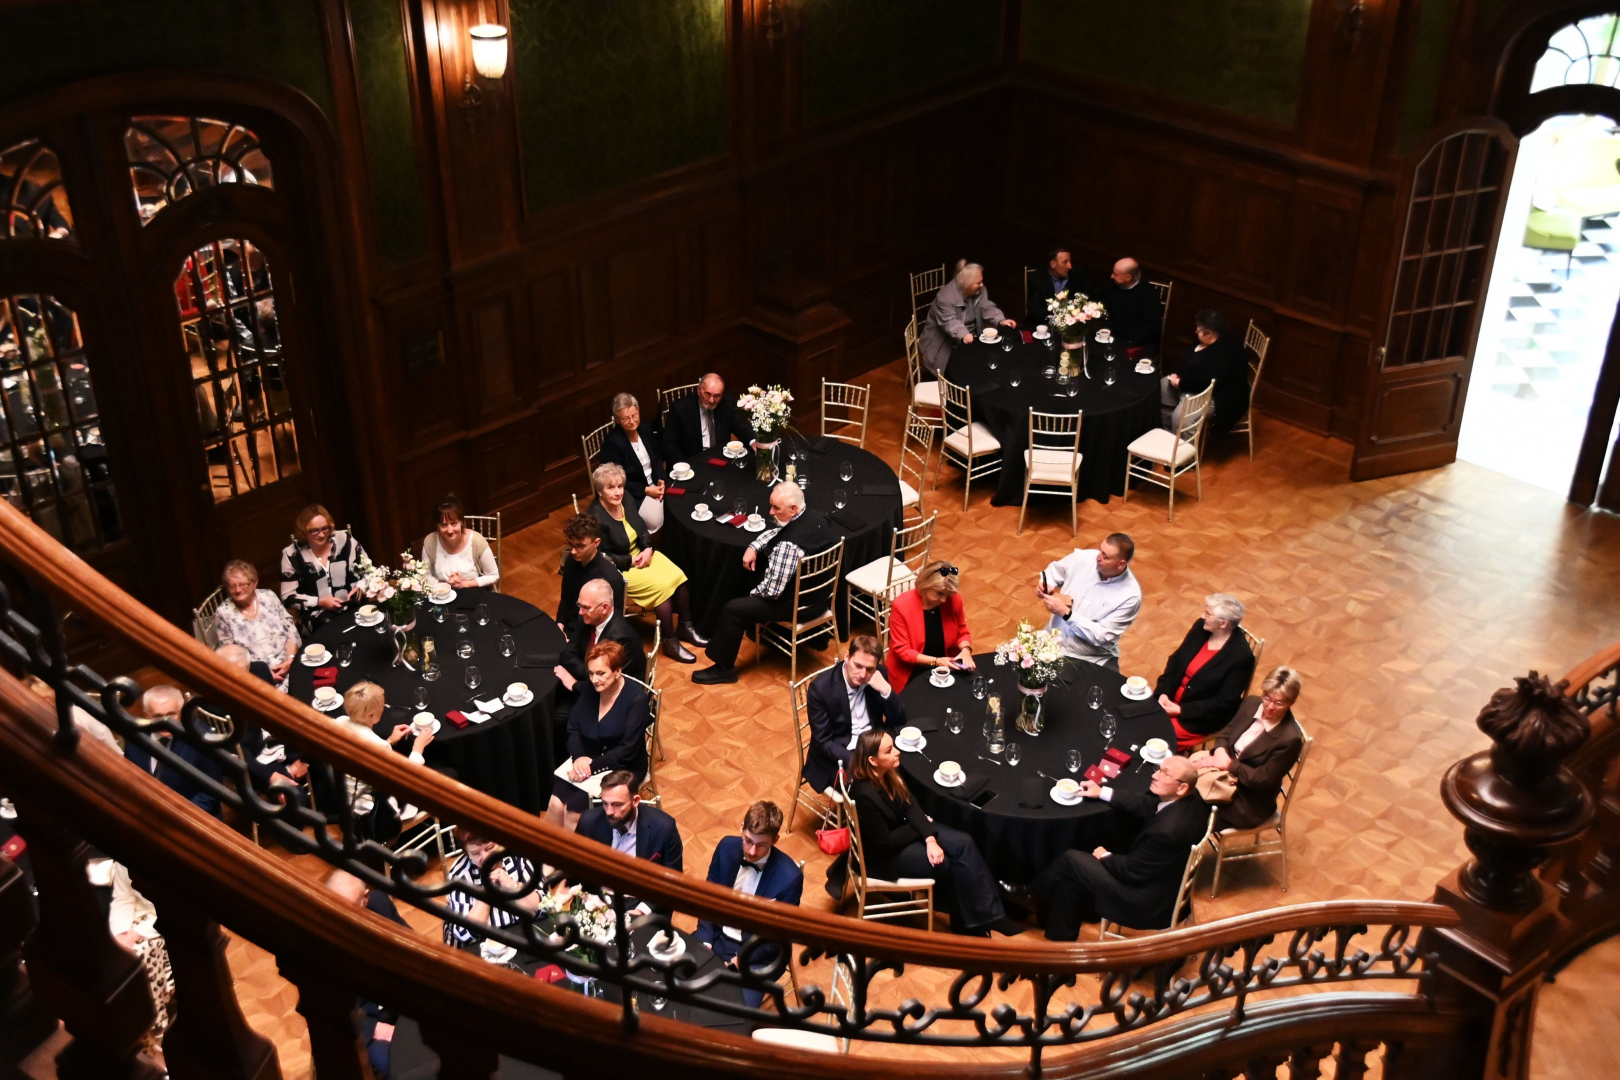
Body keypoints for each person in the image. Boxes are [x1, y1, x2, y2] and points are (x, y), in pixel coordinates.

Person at [848, 730, 1016, 935]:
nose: (897, 752)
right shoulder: (864, 794)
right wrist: (919, 828)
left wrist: (929, 838)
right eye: (889, 750)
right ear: (873, 760)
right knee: (948, 864)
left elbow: (910, 804)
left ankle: (994, 916)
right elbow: (886, 843)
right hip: (886, 858)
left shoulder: (888, 772)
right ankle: (969, 926)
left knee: (964, 842)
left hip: (903, 833)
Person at [1024, 756, 1208, 940]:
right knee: (1072, 878)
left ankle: (1030, 894)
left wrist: (1104, 855)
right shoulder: (1193, 798)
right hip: (1164, 881)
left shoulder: (1166, 832)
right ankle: (1059, 939)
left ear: (1182, 787)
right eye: (1158, 769)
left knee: (1070, 860)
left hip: (1144, 901)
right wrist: (1101, 792)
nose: (1155, 776)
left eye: (1165, 774)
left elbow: (1131, 871)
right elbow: (1148, 805)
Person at [693, 482, 833, 685]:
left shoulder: (789, 546)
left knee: (733, 609)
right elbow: (778, 532)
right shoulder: (817, 518)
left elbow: (772, 591)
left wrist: (751, 595)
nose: (771, 512)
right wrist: (754, 546)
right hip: (820, 598)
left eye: (776, 508)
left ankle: (724, 669)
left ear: (793, 509)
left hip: (798, 607)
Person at [589, 463, 703, 663]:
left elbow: (641, 527)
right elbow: (602, 555)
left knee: (679, 576)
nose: (618, 492)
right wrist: (631, 560)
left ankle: (685, 627)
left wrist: (648, 549)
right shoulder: (595, 516)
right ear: (600, 491)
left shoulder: (626, 499)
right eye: (611, 487)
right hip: (621, 567)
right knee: (661, 588)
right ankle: (670, 641)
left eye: (620, 486)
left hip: (642, 553)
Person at [694, 800, 804, 1007]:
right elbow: (707, 898)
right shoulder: (726, 848)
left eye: (761, 845)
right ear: (741, 828)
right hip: (717, 936)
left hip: (757, 955)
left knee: (735, 1012)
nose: (752, 851)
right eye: (748, 841)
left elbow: (777, 937)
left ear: (775, 840)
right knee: (677, 985)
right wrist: (705, 941)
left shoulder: (790, 877)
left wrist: (739, 961)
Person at [546, 641, 652, 830]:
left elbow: (627, 750)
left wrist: (590, 767)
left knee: (574, 813)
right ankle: (547, 848)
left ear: (618, 671)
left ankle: (574, 849)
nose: (594, 679)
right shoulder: (591, 688)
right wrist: (579, 757)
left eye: (601, 673)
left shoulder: (636, 700)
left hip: (624, 766)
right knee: (555, 803)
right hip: (587, 758)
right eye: (591, 673)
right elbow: (573, 726)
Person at [1191, 667, 1305, 831]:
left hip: (1247, 799)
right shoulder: (1251, 703)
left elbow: (1261, 779)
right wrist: (1220, 752)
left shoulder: (1290, 739)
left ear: (1291, 702)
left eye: (1279, 703)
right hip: (1222, 771)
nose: (1270, 706)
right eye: (1267, 698)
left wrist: (1228, 765)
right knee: (1179, 786)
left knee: (1191, 814)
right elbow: (1227, 733)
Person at [326, 869, 411, 1078]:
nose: (341, 917)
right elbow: (332, 1009)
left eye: (349, 908)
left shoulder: (380, 904)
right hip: (366, 1020)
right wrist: (375, 1029)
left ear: (365, 899)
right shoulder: (320, 943)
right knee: (402, 1064)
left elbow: (412, 947)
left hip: (402, 999)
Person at [211, 644, 313, 807]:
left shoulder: (260, 670)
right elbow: (237, 751)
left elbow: (277, 713)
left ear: (248, 667)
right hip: (257, 759)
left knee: (325, 762)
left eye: (241, 672)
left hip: (279, 741)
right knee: (295, 797)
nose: (236, 678)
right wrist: (275, 776)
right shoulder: (211, 701)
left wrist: (301, 757)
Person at [804, 636, 908, 795]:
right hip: (841, 754)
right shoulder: (821, 689)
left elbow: (899, 719)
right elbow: (823, 742)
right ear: (847, 657)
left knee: (908, 765)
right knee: (869, 790)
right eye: (858, 665)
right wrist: (859, 762)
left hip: (873, 744)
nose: (863, 674)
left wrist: (886, 690)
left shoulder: (879, 675)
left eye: (869, 669)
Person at [1156, 594, 1258, 750]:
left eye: (1208, 614)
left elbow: (1224, 702)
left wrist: (1181, 710)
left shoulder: (1241, 657)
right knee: (1139, 720)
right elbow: (1176, 660)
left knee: (1156, 736)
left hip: (1198, 716)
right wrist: (1163, 692)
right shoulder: (1200, 627)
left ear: (1223, 623)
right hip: (1170, 699)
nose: (1202, 615)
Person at [338, 681, 434, 843]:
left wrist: (389, 741)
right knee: (447, 774)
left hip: (344, 801)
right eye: (382, 706)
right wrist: (417, 748)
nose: (384, 708)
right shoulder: (378, 746)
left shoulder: (338, 723)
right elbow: (404, 778)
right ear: (371, 716)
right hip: (375, 815)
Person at [576, 771, 685, 910]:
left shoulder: (664, 827)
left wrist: (641, 911)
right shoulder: (589, 822)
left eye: (617, 805)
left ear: (636, 801)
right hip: (596, 897)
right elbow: (573, 865)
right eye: (605, 803)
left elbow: (674, 881)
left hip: (639, 900)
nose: (609, 811)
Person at [1036, 534, 1141, 669]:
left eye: (1105, 556)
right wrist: (1047, 583)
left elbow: (1101, 636)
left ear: (1121, 564)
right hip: (1053, 641)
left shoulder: (1130, 597)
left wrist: (1066, 614)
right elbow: (1054, 571)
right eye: (1100, 550)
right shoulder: (1083, 558)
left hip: (1090, 656)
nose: (1098, 557)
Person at [126, 685, 226, 818]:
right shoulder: (135, 737)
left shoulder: (200, 736)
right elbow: (131, 780)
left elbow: (212, 792)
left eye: (171, 714)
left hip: (193, 817)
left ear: (181, 711)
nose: (165, 722)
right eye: (157, 716)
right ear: (146, 714)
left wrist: (180, 815)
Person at [109, 862, 174, 1064]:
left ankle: (152, 1031)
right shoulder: (123, 860)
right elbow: (123, 897)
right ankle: (128, 1030)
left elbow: (171, 907)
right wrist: (119, 934)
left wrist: (134, 935)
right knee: (112, 954)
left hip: (166, 922)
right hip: (138, 918)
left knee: (138, 958)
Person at [886, 561, 976, 693]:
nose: (944, 600)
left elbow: (962, 632)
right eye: (940, 593)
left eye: (948, 594)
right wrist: (936, 661)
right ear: (925, 585)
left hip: (946, 665)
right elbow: (903, 651)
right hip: (912, 670)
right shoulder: (901, 606)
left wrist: (966, 650)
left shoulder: (953, 600)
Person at [442, 828, 541, 946]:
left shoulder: (519, 857)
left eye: (489, 848)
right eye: (475, 853)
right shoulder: (459, 876)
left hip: (522, 935)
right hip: (480, 945)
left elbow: (544, 907)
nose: (486, 858)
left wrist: (511, 885)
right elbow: (466, 934)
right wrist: (487, 891)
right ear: (467, 853)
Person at [279, 504, 368, 632]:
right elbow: (288, 597)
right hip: (317, 613)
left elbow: (370, 572)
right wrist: (319, 601)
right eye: (314, 531)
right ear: (303, 531)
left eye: (325, 529)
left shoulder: (346, 541)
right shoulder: (291, 554)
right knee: (328, 625)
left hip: (353, 605)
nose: (321, 535)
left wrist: (361, 587)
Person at [919, 262, 1017, 376]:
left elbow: (986, 306)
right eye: (978, 282)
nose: (982, 285)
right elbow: (949, 322)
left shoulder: (980, 290)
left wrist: (1000, 320)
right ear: (966, 285)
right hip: (945, 345)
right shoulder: (945, 297)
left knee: (993, 360)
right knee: (964, 371)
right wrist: (964, 334)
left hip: (972, 340)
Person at [213, 559, 300, 688]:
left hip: (289, 661)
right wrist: (265, 675)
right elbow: (232, 658)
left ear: (254, 583)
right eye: (232, 586)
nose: (238, 590)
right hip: (258, 676)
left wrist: (291, 659)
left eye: (243, 584)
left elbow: (290, 629)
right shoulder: (223, 613)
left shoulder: (268, 597)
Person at [1160, 309, 1248, 436]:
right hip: (1194, 385)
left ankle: (1183, 446)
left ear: (1210, 334)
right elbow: (1187, 359)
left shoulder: (1224, 352)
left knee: (1182, 418)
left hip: (1215, 395)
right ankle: (1169, 434)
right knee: (1164, 384)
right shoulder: (1203, 340)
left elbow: (1206, 381)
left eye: (1199, 329)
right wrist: (1175, 373)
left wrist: (1181, 383)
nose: (1196, 331)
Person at [599, 393, 669, 535]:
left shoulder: (646, 428)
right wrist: (646, 490)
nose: (632, 421)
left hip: (655, 485)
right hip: (634, 494)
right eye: (626, 418)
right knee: (658, 519)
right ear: (618, 420)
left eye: (634, 415)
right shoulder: (612, 444)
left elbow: (656, 458)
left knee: (678, 505)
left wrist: (661, 480)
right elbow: (615, 482)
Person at [556, 513, 626, 636]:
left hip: (592, 636)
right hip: (569, 629)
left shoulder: (611, 578)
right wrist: (560, 625)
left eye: (580, 546)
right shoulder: (570, 561)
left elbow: (613, 623)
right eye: (571, 545)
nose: (573, 551)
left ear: (596, 542)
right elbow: (566, 598)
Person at [661, 372, 754, 461]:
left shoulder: (727, 404)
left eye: (717, 396)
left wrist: (753, 442)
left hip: (721, 458)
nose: (711, 400)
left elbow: (742, 427)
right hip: (692, 460)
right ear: (699, 390)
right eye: (707, 394)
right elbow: (668, 445)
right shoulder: (680, 409)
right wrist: (686, 466)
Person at [420, 494, 499, 591]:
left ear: (461, 522)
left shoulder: (477, 541)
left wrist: (464, 584)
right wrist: (446, 585)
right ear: (438, 525)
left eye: (454, 524)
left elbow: (493, 576)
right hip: (441, 592)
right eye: (444, 525)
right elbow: (425, 575)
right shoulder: (430, 542)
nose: (450, 531)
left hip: (472, 590)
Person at [1102, 258, 1165, 355]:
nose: (1112, 276)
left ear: (1128, 277)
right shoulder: (1112, 286)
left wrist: (1129, 342)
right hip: (1112, 337)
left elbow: (1152, 328)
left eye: (1116, 274)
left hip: (1135, 342)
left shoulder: (1148, 294)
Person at [1026, 246, 1076, 327]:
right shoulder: (1037, 279)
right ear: (1053, 264)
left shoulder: (1075, 276)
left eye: (1069, 261)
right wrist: (1057, 319)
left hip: (1071, 326)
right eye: (1065, 262)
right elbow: (1034, 310)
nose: (1070, 266)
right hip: (1043, 325)